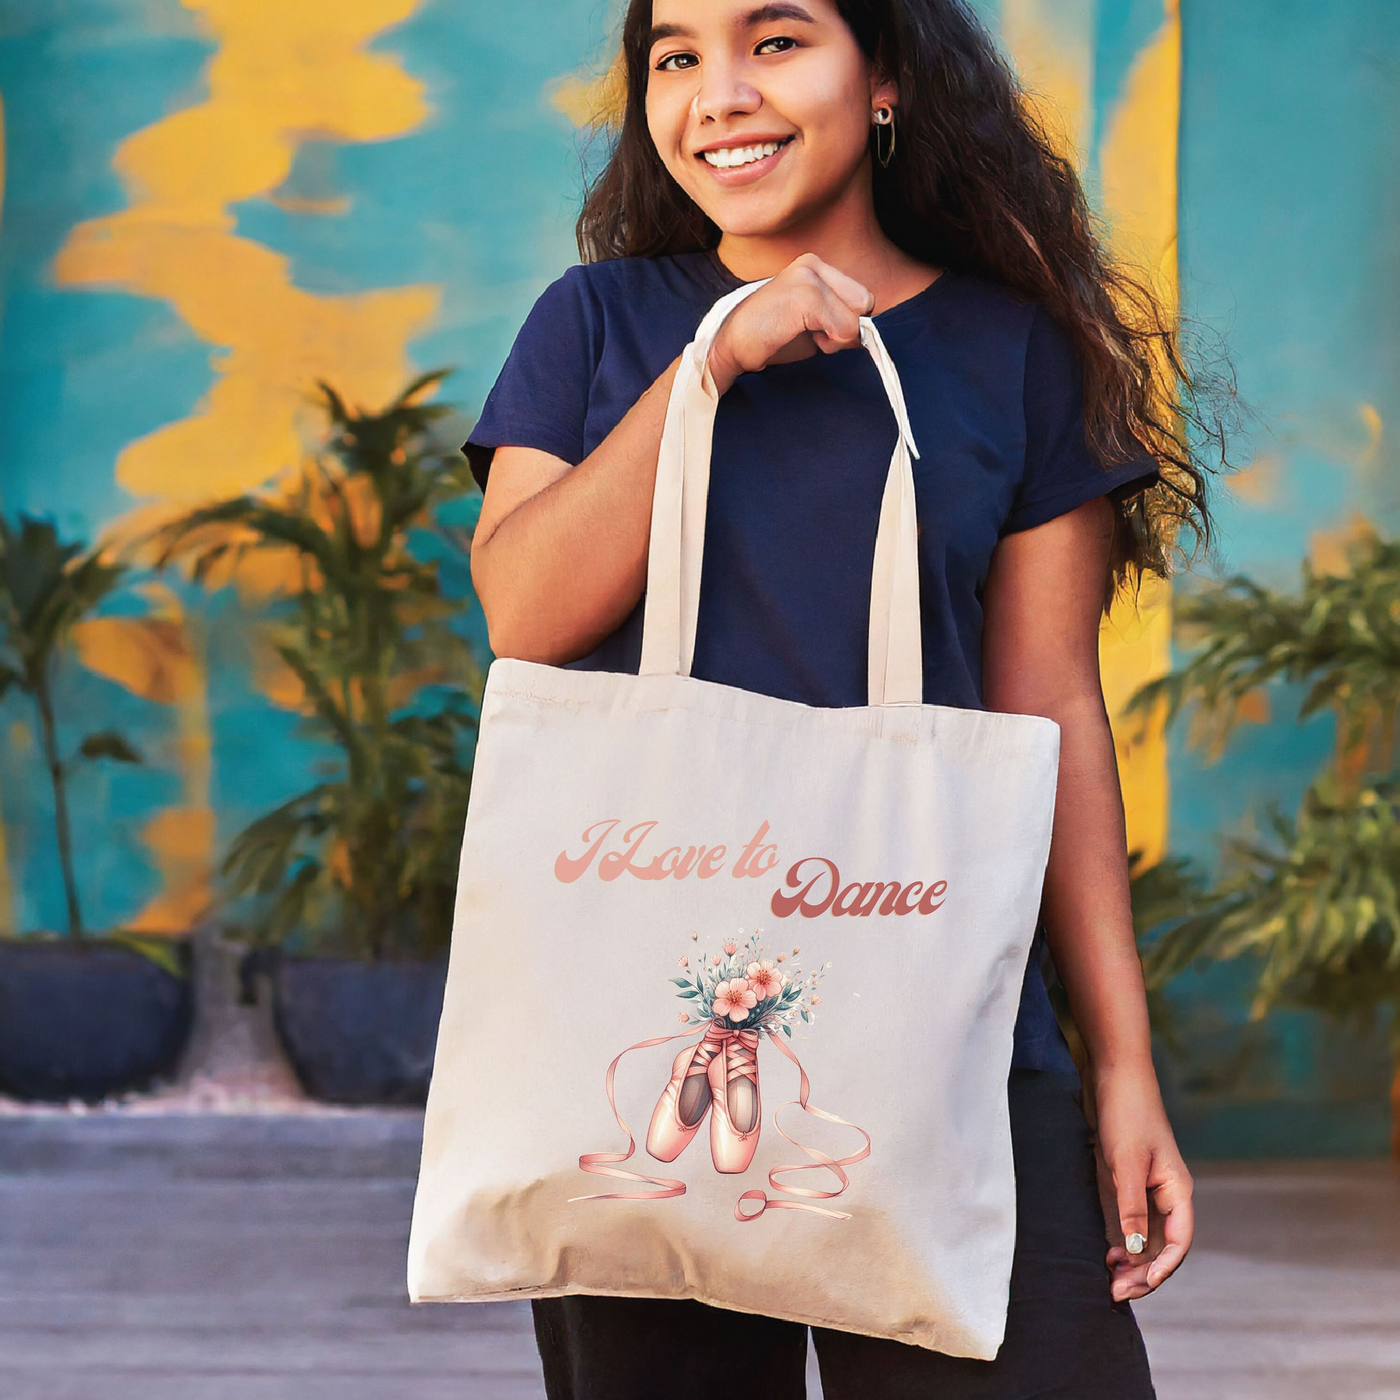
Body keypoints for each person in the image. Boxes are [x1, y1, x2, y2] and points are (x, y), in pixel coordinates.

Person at [464, 0, 1226, 1394]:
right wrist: (716, 358)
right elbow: (525, 608)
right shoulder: (599, 323)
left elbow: (1049, 713)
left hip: (954, 1027)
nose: (718, 94)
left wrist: (1123, 1067)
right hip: (638, 1045)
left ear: (884, 77)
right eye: (676, 57)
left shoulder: (1011, 352)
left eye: (774, 41)